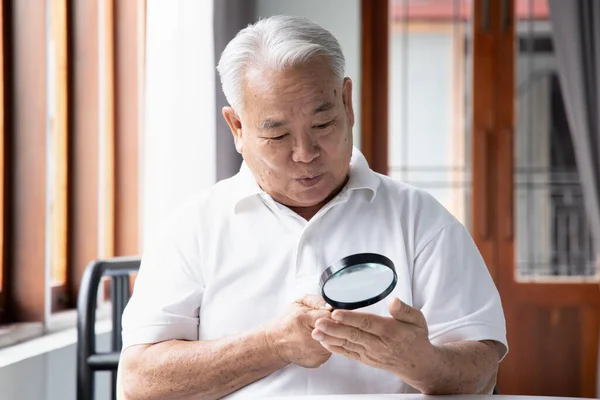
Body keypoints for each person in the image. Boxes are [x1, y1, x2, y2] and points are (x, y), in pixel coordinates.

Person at [118, 15, 508, 400]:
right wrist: (273, 345)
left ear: (347, 103)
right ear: (237, 127)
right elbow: (138, 384)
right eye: (277, 134)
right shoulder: (193, 229)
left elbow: (482, 369)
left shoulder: (420, 219)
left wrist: (422, 362)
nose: (305, 154)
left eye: (323, 124)